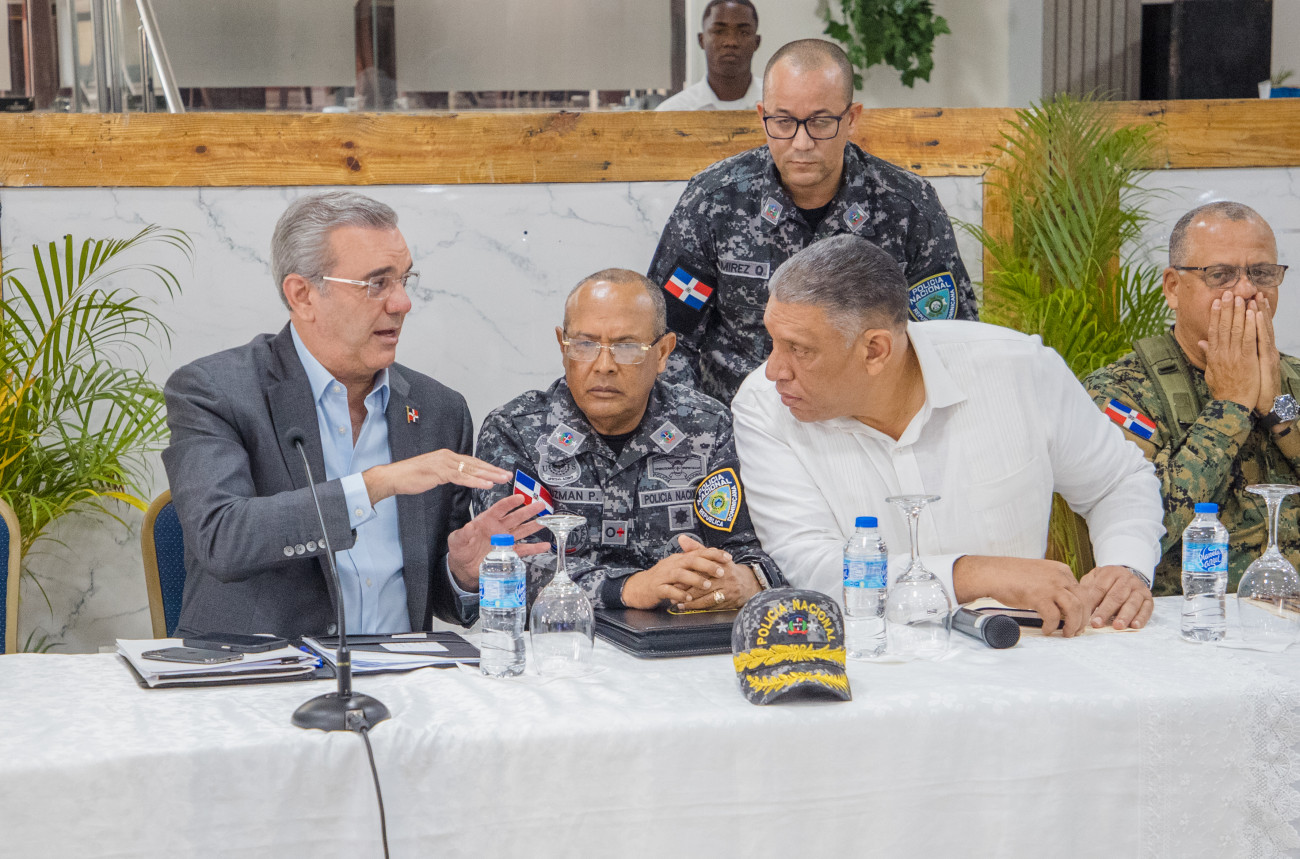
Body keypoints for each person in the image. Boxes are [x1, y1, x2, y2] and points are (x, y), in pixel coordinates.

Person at [732, 235, 1164, 636]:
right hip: (869, 661)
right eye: (773, 342)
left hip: (1026, 654)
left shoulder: (1018, 369)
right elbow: (809, 568)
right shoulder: (764, 407)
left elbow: (1117, 482)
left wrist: (1126, 567)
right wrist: (978, 575)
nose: (774, 370)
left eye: (799, 349)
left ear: (875, 350)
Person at [162, 191, 546, 638]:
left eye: (404, 279)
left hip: (402, 672)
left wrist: (461, 571)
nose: (402, 303)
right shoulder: (216, 391)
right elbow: (221, 538)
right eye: (376, 284)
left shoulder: (439, 410)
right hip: (261, 669)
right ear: (303, 295)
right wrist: (377, 484)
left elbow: (433, 595)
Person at [648, 38, 976, 405]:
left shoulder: (907, 207)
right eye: (783, 122)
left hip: (863, 419)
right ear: (762, 117)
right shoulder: (714, 201)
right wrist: (707, 428)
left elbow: (946, 339)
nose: (801, 143)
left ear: (851, 119)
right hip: (743, 418)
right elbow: (668, 340)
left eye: (820, 122)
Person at [473, 268, 783, 612]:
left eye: (626, 347)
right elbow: (505, 562)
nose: (604, 365)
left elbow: (757, 548)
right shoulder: (515, 431)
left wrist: (745, 579)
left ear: (663, 353)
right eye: (585, 345)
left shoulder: (708, 428)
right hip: (559, 636)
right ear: (563, 347)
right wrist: (627, 588)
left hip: (682, 633)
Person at [1085, 202, 1298, 596]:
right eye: (1220, 275)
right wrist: (1231, 406)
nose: (1247, 290)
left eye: (1262, 273)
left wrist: (1279, 411)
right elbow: (1137, 529)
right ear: (1173, 287)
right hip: (1186, 616)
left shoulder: (1294, 378)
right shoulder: (1118, 392)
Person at [656, 0, 762, 112]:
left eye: (743, 32)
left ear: (757, 42)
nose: (731, 42)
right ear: (701, 40)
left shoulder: (773, 105)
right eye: (719, 32)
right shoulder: (672, 111)